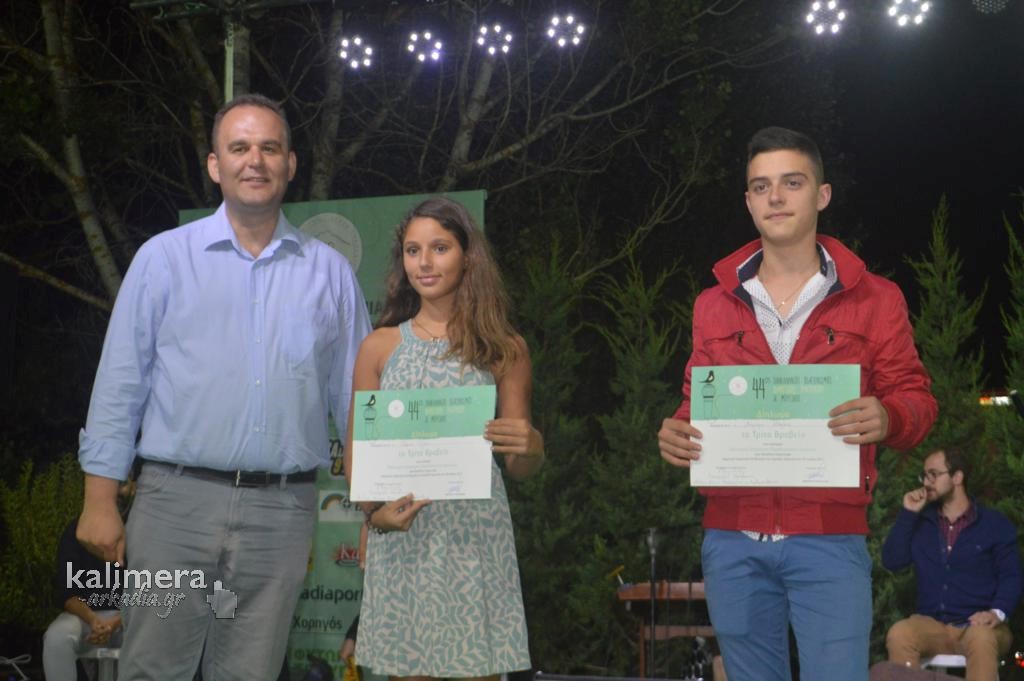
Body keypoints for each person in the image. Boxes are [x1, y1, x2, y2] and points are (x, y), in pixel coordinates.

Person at [75, 93, 372, 681]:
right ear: (215, 165)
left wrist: (373, 504)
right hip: (173, 511)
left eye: (270, 148)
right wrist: (99, 499)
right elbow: (120, 383)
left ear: (290, 163)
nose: (254, 160)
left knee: (249, 673)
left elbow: (357, 401)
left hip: (281, 517)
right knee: (152, 670)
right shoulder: (163, 259)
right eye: (239, 147)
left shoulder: (331, 273)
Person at [657, 126, 937, 681]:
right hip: (732, 542)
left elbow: (917, 399)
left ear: (822, 195)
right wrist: (677, 433)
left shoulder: (877, 299)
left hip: (830, 539)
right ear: (748, 201)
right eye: (761, 187)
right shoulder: (712, 304)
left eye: (792, 182)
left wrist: (889, 416)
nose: (776, 198)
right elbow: (697, 404)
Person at [343, 196, 544, 679]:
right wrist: (374, 515)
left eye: (439, 248)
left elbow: (520, 465)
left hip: (476, 538)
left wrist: (532, 445)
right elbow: (360, 456)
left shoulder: (504, 348)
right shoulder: (379, 346)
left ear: (468, 256)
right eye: (413, 251)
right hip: (404, 535)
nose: (425, 263)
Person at [882, 447, 1021, 680]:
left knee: (982, 637)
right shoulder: (922, 522)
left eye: (934, 474)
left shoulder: (994, 524)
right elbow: (892, 561)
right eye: (924, 475)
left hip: (979, 625)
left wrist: (996, 612)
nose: (926, 482)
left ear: (957, 477)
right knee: (900, 634)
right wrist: (908, 513)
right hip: (932, 626)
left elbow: (1012, 575)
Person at [43, 478, 134, 681]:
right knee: (57, 637)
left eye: (123, 484)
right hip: (86, 617)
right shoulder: (77, 531)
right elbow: (68, 594)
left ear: (134, 488)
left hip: (130, 618)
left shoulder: (141, 533)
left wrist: (116, 622)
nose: (116, 490)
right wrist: (94, 620)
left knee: (157, 632)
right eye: (110, 482)